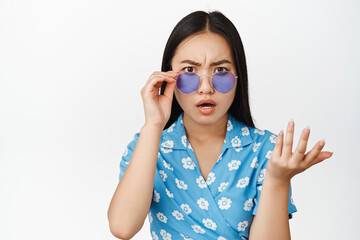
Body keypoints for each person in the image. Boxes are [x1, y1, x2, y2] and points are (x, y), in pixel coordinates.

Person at [107, 10, 333, 240]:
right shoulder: (147, 145)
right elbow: (122, 228)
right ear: (168, 76)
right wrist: (153, 125)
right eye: (189, 70)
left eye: (221, 70)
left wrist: (278, 179)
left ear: (238, 77)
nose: (206, 87)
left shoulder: (267, 150)